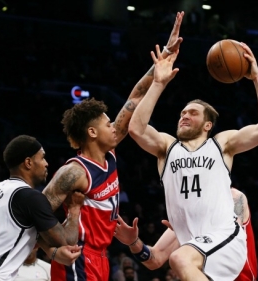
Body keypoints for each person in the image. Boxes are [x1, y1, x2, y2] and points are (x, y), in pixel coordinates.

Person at [42, 11, 186, 281]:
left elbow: (135, 96)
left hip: (101, 257)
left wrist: (164, 57)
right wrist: (51, 251)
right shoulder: (75, 172)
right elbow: (34, 211)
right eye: (108, 123)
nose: (114, 126)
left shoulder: (109, 152)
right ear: (92, 132)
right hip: (78, 257)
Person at [124, 37, 258, 280]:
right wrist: (158, 83)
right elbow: (136, 130)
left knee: (179, 258)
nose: (184, 116)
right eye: (182, 112)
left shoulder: (221, 144)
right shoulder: (167, 147)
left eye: (192, 113)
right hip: (197, 247)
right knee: (180, 258)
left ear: (208, 125)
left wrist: (257, 78)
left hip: (225, 237)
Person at [0, 135, 83, 281]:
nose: (46, 163)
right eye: (42, 158)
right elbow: (67, 240)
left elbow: (16, 236)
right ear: (28, 162)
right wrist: (74, 209)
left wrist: (52, 252)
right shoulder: (30, 197)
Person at [114, 187, 258, 281]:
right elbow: (154, 259)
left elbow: (228, 235)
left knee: (179, 258)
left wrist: (192, 229)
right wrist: (133, 242)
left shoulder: (233, 197)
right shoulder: (188, 217)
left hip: (239, 277)